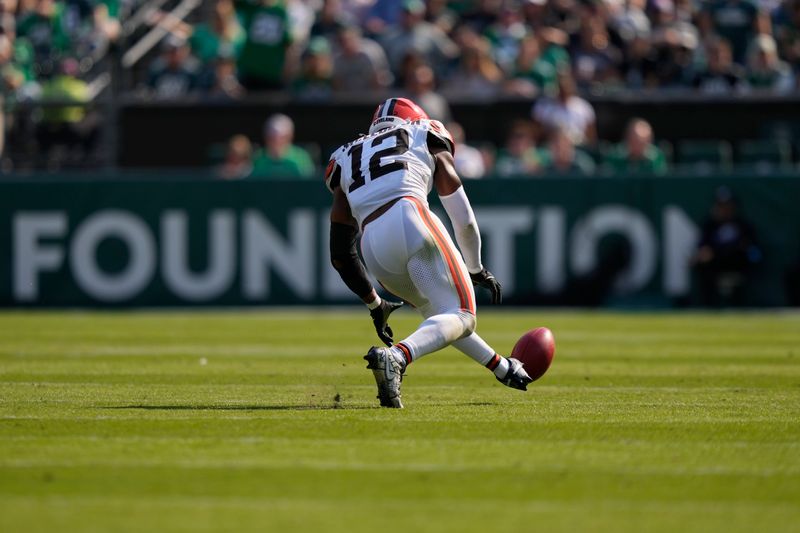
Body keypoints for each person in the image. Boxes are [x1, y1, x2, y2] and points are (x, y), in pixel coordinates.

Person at [324, 97, 532, 408]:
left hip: (373, 247)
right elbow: (462, 216)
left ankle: (502, 368)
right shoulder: (423, 131)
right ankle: (396, 357)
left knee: (441, 316)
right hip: (408, 216)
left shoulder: (346, 157)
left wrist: (375, 303)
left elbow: (340, 253)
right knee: (463, 314)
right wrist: (475, 267)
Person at [691, 186, 761, 307]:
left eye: (727, 205)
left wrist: (718, 251)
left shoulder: (742, 224)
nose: (724, 209)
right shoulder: (709, 225)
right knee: (701, 263)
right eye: (721, 206)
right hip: (715, 265)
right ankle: (707, 307)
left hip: (736, 262)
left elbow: (750, 249)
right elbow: (703, 248)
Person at [250, 113, 314, 179]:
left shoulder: (302, 157)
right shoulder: (257, 158)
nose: (277, 141)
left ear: (290, 137)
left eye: (282, 137)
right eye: (272, 138)